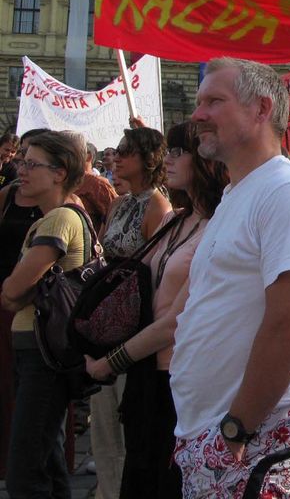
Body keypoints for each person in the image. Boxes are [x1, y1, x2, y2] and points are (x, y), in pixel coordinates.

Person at [171, 57, 290, 497]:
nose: (197, 114)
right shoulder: (238, 191)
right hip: (215, 431)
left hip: (249, 438)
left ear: (262, 109)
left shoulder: (287, 190)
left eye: (214, 101)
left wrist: (236, 427)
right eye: (199, 102)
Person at [82, 121, 228, 498]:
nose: (170, 160)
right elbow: (139, 288)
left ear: (207, 160)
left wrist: (110, 361)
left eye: (179, 152)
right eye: (170, 152)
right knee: (139, 474)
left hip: (182, 375)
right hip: (146, 370)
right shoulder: (173, 219)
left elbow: (176, 320)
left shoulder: (220, 226)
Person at [1, 130, 89, 498]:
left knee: (25, 470)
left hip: (44, 353)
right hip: (39, 349)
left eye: (32, 164)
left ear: (59, 173)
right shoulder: (50, 218)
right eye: (22, 162)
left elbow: (12, 291)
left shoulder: (58, 220)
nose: (21, 170)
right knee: (47, 460)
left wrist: (14, 289)